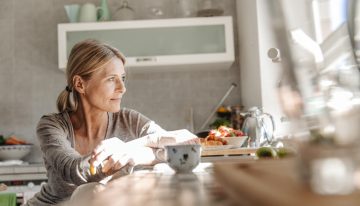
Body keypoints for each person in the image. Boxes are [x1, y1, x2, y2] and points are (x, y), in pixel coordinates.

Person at [25, 39, 198, 206]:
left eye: (122, 78)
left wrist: (130, 151)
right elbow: (74, 170)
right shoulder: (52, 125)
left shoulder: (130, 119)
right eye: (111, 79)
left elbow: (180, 149)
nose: (122, 88)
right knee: (90, 190)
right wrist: (146, 143)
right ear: (80, 84)